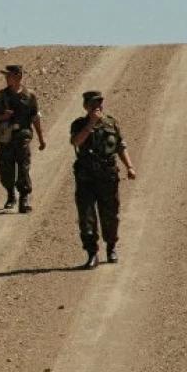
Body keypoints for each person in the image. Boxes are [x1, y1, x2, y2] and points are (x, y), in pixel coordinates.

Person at [70, 90, 136, 269]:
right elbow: (76, 142)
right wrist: (91, 123)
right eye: (93, 104)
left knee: (110, 216)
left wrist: (129, 166)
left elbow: (120, 146)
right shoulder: (79, 124)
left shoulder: (111, 124)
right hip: (86, 178)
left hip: (108, 176)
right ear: (86, 106)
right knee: (87, 217)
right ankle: (92, 254)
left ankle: (111, 247)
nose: (97, 107)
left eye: (99, 103)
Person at [0, 64, 47, 212]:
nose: (7, 78)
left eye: (9, 75)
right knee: (5, 169)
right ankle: (10, 195)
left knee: (23, 168)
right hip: (5, 138)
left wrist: (41, 138)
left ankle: (24, 197)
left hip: (22, 137)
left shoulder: (29, 96)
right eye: (6, 76)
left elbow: (35, 117)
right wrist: (3, 116)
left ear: (18, 76)